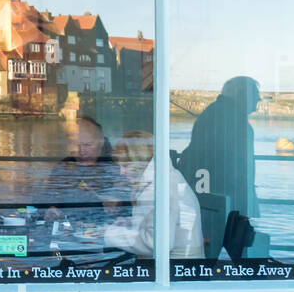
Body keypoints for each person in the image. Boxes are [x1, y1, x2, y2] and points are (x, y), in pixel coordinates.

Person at [104, 130, 204, 257]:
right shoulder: (167, 177)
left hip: (175, 272)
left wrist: (109, 233)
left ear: (139, 161)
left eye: (125, 165)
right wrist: (132, 223)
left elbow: (155, 244)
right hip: (184, 267)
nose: (121, 172)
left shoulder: (157, 189)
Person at [176, 75, 261, 221]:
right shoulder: (231, 120)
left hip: (214, 196)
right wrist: (244, 203)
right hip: (224, 199)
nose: (259, 98)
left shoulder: (218, 114)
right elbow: (230, 167)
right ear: (240, 94)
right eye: (255, 93)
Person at [41, 116, 127, 222]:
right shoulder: (65, 166)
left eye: (88, 145)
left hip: (103, 226)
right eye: (78, 145)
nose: (82, 151)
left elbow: (127, 202)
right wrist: (50, 208)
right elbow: (47, 197)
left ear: (101, 141)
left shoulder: (113, 167)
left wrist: (118, 204)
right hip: (68, 225)